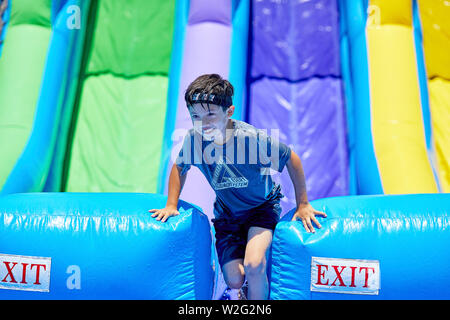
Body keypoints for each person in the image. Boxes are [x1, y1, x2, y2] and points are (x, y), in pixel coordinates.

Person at [149, 74, 326, 300]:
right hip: (228, 215)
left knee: (253, 265)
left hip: (261, 208)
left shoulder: (250, 139)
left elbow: (292, 159)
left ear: (229, 112)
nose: (203, 123)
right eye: (196, 116)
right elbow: (179, 168)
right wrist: (171, 204)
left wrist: (303, 204)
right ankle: (240, 285)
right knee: (235, 279)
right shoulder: (194, 140)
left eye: (210, 114)